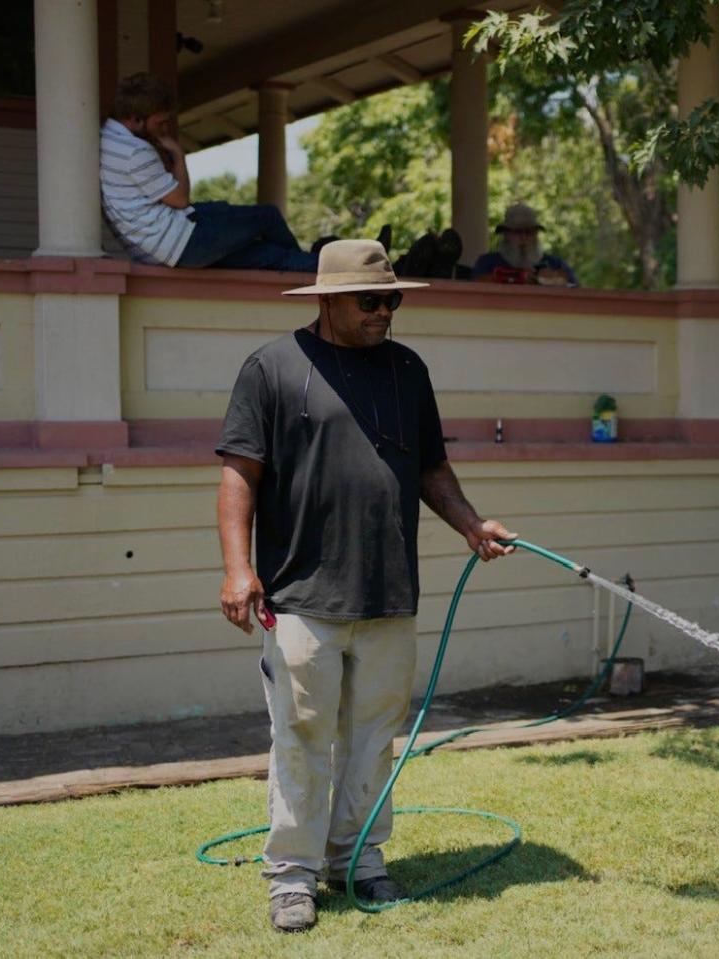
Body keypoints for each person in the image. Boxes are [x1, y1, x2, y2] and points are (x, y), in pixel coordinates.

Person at [215, 239, 516, 933]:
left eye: (393, 299)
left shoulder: (408, 371)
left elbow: (431, 468)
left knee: (373, 737)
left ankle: (360, 859)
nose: (386, 311)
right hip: (299, 595)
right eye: (370, 300)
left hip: (388, 591)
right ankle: (292, 875)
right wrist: (238, 566)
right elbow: (239, 475)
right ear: (328, 300)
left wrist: (470, 524)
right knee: (300, 735)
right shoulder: (272, 368)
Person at [100, 72, 319, 272]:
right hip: (184, 243)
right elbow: (180, 200)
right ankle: (308, 274)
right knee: (267, 216)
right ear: (136, 119)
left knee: (268, 254)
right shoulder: (136, 152)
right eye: (161, 123)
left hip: (160, 249)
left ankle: (310, 265)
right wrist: (178, 155)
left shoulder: (106, 138)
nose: (165, 130)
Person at [471, 203, 578, 286]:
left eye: (529, 232)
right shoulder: (488, 263)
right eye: (518, 232)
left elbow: (575, 289)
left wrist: (553, 279)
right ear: (506, 234)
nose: (524, 237)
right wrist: (518, 278)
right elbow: (475, 286)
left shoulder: (555, 264)